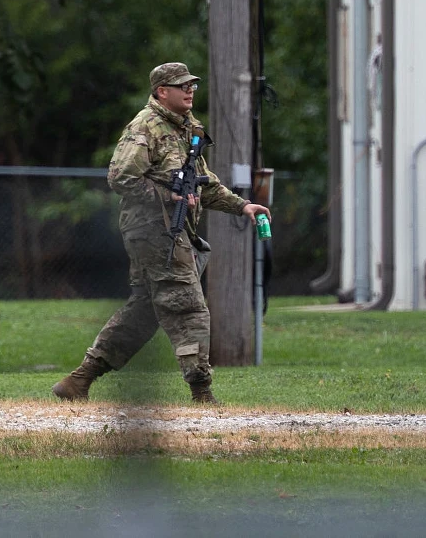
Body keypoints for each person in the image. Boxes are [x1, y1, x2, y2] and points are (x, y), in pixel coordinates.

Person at [52, 62, 271, 404]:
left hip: (173, 229)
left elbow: (204, 184)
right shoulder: (146, 127)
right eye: (181, 85)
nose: (190, 90)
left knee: (145, 310)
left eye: (192, 85)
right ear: (160, 92)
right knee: (187, 303)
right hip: (152, 229)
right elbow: (121, 177)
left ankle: (79, 380)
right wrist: (167, 195)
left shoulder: (187, 129)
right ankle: (202, 392)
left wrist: (242, 205)